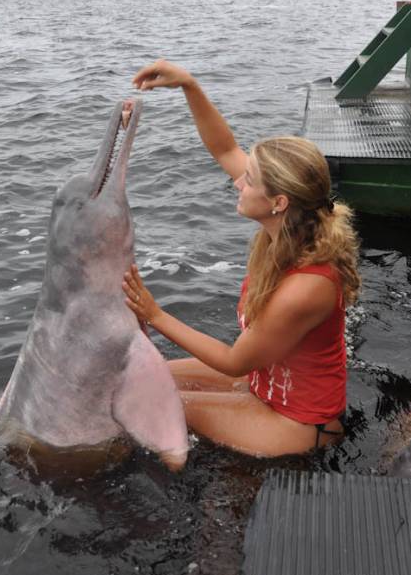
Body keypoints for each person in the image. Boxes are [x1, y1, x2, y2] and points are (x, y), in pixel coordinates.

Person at [122, 60, 361, 457]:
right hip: (259, 383)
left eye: (249, 179)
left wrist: (153, 313)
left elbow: (234, 361)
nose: (237, 181)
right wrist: (189, 85)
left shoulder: (308, 287)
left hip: (297, 422)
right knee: (139, 381)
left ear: (278, 202)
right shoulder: (293, 221)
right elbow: (224, 147)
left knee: (146, 406)